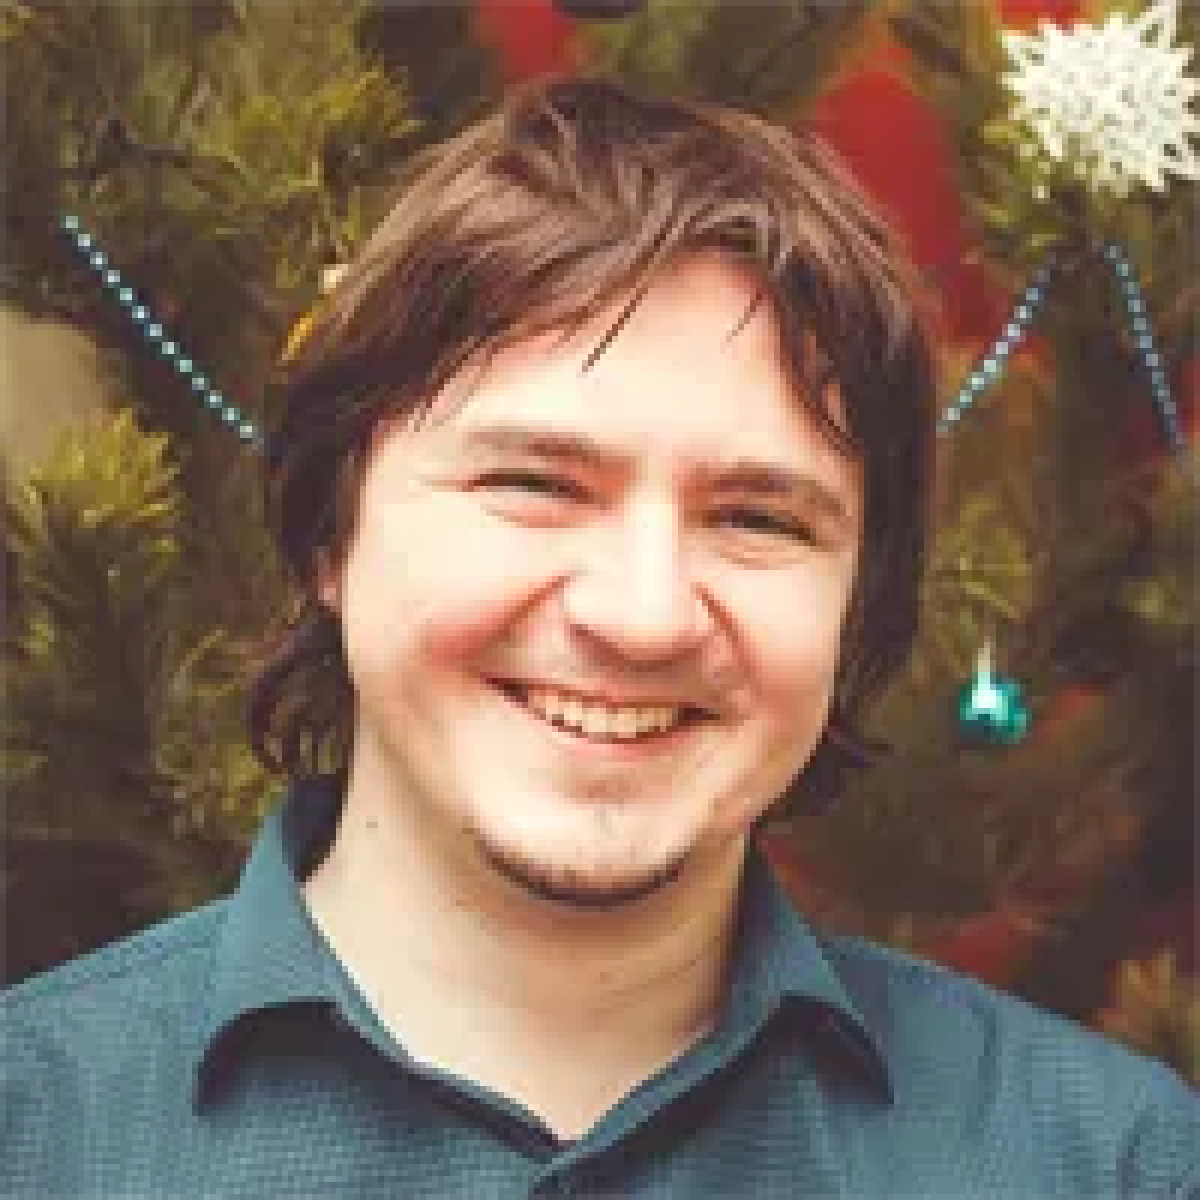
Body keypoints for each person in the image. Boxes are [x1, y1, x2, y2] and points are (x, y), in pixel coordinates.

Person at [3, 73, 1195, 1199]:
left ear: (856, 604)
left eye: (758, 518)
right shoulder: (37, 1131)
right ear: (330, 533)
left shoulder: (1106, 1163)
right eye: (535, 484)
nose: (642, 615)